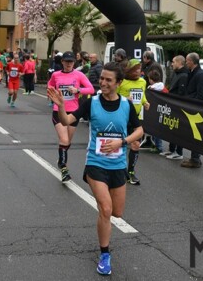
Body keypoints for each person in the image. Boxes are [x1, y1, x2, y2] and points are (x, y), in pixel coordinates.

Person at [47, 62, 144, 276]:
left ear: (119, 83)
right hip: (95, 163)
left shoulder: (126, 105)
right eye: (102, 79)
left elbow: (139, 130)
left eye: (109, 80)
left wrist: (122, 142)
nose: (103, 83)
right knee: (106, 209)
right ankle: (104, 254)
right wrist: (61, 106)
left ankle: (104, 227)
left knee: (116, 212)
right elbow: (66, 120)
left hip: (118, 165)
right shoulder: (92, 102)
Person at [47, 51, 95, 182]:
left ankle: (61, 158)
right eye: (66, 61)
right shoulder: (56, 75)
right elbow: (50, 85)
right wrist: (52, 92)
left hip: (73, 112)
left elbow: (91, 89)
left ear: (74, 62)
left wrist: (78, 90)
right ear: (62, 62)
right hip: (58, 111)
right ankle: (64, 168)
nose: (69, 64)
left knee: (68, 141)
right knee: (64, 140)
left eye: (71, 61)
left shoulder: (79, 75)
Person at [117, 59, 149, 185]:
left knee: (135, 144)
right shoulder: (121, 82)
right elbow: (112, 96)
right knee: (120, 144)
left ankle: (130, 172)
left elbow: (142, 95)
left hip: (135, 118)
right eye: (134, 69)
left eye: (139, 69)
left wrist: (145, 102)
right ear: (128, 70)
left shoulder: (143, 81)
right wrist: (124, 99)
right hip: (121, 117)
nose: (137, 72)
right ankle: (117, 169)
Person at [181, 52, 203, 168]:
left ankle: (195, 159)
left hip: (195, 109)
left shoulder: (201, 75)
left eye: (187, 61)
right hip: (189, 107)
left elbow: (200, 95)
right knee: (191, 135)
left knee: (195, 135)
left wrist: (190, 102)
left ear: (192, 61)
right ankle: (194, 158)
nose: (186, 63)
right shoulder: (191, 72)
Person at [161, 55, 187, 160]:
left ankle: (179, 152)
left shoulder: (184, 75)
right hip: (172, 105)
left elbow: (181, 93)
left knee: (178, 130)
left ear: (179, 62)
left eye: (173, 62)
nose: (172, 64)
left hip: (178, 107)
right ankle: (171, 149)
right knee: (172, 128)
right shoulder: (176, 73)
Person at [145, 68, 167, 154]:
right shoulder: (163, 88)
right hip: (162, 110)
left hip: (154, 111)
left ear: (151, 79)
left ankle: (158, 146)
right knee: (158, 129)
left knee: (155, 130)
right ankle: (156, 145)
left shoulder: (151, 89)